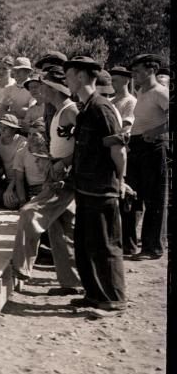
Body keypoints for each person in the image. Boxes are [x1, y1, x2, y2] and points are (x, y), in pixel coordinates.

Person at [63, 56, 127, 313]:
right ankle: (94, 294)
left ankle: (113, 299)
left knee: (105, 244)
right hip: (85, 187)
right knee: (87, 243)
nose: (66, 80)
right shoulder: (86, 108)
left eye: (68, 75)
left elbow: (119, 150)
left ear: (80, 76)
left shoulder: (102, 108)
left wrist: (120, 181)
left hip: (102, 188)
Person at [9, 77, 81, 294]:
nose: (40, 91)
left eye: (45, 87)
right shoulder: (55, 111)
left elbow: (87, 142)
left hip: (65, 177)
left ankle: (22, 267)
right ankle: (71, 283)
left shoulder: (71, 111)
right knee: (61, 227)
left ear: (56, 90)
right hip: (56, 172)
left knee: (28, 212)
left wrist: (66, 164)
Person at [125, 53, 169, 261]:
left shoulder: (161, 92)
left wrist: (157, 131)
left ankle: (153, 247)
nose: (134, 74)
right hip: (136, 146)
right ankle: (130, 244)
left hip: (152, 147)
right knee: (133, 195)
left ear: (151, 70)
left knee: (154, 199)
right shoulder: (141, 91)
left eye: (137, 70)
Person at [0, 114, 27, 209]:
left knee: (10, 202)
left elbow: (21, 169)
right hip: (5, 180)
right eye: (0, 127)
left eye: (5, 128)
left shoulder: (22, 142)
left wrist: (10, 188)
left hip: (21, 181)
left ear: (14, 129)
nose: (1, 130)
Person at [108, 65, 137, 133]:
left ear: (126, 80)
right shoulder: (109, 100)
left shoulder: (131, 101)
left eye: (114, 80)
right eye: (110, 81)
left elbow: (125, 127)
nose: (111, 83)